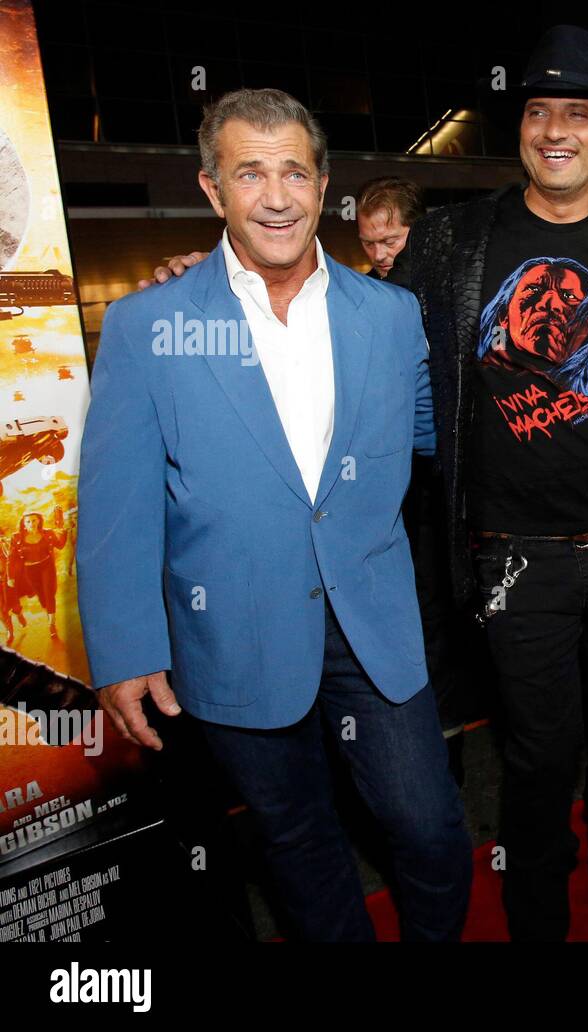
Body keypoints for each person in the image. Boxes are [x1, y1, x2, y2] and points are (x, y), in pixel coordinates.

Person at [77, 87, 472, 942]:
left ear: (324, 184)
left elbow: (437, 438)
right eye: (250, 172)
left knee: (432, 831)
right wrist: (125, 648)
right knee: (297, 842)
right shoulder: (151, 324)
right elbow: (117, 499)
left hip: (372, 623)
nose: (278, 194)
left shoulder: (391, 315)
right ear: (213, 190)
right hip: (231, 633)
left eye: (295, 170)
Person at [403, 25, 588, 942]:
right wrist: (225, 278)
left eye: (579, 113)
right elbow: (351, 320)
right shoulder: (452, 241)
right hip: (515, 564)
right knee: (538, 765)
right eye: (539, 110)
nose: (555, 129)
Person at [7, 509, 67, 639]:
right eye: (28, 521)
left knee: (49, 594)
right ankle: (47, 607)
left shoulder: (48, 534)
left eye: (34, 520)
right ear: (23, 523)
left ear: (39, 520)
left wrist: (63, 532)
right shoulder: (17, 538)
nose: (31, 523)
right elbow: (11, 559)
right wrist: (10, 576)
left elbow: (60, 545)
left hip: (47, 567)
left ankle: (52, 624)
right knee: (43, 598)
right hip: (29, 571)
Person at [357, 176, 422, 284]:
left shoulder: (450, 284)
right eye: (368, 243)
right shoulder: (361, 292)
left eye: (389, 242)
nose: (378, 256)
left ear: (418, 232)